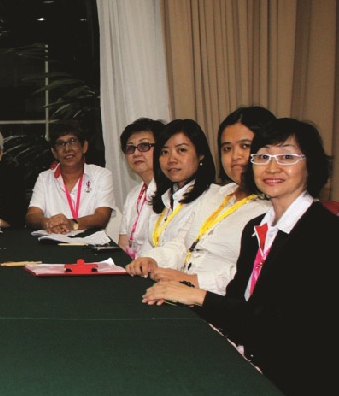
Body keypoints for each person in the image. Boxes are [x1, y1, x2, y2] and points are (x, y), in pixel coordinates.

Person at [142, 118, 339, 396]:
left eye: (287, 156)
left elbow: (280, 327)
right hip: (251, 366)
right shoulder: (256, 228)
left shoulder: (325, 234)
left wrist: (198, 295)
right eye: (263, 156)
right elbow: (237, 303)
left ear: (311, 165)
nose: (272, 167)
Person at [126, 107, 274, 293]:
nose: (235, 156)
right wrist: (153, 259)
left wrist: (192, 281)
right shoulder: (218, 194)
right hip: (182, 289)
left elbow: (253, 274)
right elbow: (183, 244)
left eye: (245, 146)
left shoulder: (272, 208)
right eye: (227, 148)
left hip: (215, 298)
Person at [138, 119, 217, 253]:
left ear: (201, 155)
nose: (171, 160)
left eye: (181, 150)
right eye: (164, 152)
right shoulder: (165, 197)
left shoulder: (211, 199)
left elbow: (182, 249)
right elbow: (148, 246)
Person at [25, 120, 115, 233]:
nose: (67, 149)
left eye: (72, 141)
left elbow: (102, 217)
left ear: (84, 147)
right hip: (55, 239)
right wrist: (48, 223)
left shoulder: (101, 175)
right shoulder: (44, 178)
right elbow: (32, 215)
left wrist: (72, 224)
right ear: (54, 153)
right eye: (61, 144)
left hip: (90, 241)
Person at [116, 118, 164, 257]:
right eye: (130, 148)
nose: (136, 153)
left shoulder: (170, 193)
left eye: (144, 146)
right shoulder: (133, 194)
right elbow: (123, 244)